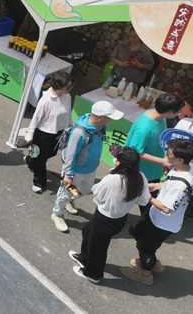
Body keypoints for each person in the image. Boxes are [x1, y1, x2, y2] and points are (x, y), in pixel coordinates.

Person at [69, 146, 150, 284]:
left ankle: (92, 274)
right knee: (88, 232)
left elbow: (97, 194)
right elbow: (143, 200)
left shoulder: (113, 178)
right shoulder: (141, 178)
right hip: (119, 219)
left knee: (98, 247)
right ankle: (84, 258)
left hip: (104, 217)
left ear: (118, 162)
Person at [120, 138, 193, 285]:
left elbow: (167, 208)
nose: (166, 153)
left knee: (146, 246)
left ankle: (145, 272)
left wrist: (147, 197)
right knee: (138, 234)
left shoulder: (180, 185)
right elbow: (170, 183)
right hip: (157, 217)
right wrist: (157, 186)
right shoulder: (187, 167)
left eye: (169, 153)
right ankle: (150, 262)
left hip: (162, 222)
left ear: (180, 159)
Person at [50, 101, 122, 232]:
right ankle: (57, 213)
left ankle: (68, 200)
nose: (111, 119)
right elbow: (70, 155)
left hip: (91, 169)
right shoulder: (79, 133)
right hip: (75, 171)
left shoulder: (100, 126)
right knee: (64, 193)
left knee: (85, 189)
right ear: (100, 117)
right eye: (110, 116)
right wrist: (68, 175)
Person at [125, 93, 185, 207]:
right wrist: (162, 161)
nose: (178, 114)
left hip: (152, 170)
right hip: (140, 173)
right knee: (144, 203)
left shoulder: (159, 117)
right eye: (178, 112)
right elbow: (135, 152)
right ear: (169, 112)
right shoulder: (144, 128)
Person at [24, 72, 74, 194]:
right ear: (58, 86)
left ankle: (30, 160)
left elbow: (67, 113)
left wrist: (70, 125)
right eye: (67, 86)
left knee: (51, 153)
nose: (70, 89)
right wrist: (30, 133)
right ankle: (39, 182)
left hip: (58, 132)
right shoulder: (46, 100)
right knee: (41, 160)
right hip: (43, 133)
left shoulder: (67, 96)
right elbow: (36, 118)